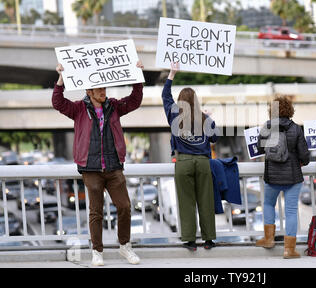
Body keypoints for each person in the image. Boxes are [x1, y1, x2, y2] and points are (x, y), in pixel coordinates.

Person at [52, 62, 144, 266]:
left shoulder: (114, 107)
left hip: (113, 167)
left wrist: (138, 76)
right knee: (96, 212)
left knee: (125, 206)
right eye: (99, 89)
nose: (103, 92)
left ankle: (125, 246)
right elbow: (58, 102)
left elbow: (135, 101)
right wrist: (60, 78)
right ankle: (97, 251)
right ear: (89, 91)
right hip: (90, 168)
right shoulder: (78, 109)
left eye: (105, 88)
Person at [162, 62, 219, 251]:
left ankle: (190, 241)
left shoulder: (174, 114)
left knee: (186, 202)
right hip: (203, 162)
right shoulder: (203, 117)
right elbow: (215, 138)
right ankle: (209, 239)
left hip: (183, 161)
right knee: (206, 201)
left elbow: (165, 96)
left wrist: (172, 74)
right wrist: (208, 117)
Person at [255, 95, 310, 259]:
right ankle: (289, 250)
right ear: (290, 110)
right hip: (293, 176)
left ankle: (269, 239)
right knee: (291, 211)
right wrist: (301, 161)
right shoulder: (295, 128)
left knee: (268, 204)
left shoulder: (267, 127)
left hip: (272, 175)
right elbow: (305, 156)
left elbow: (259, 148)